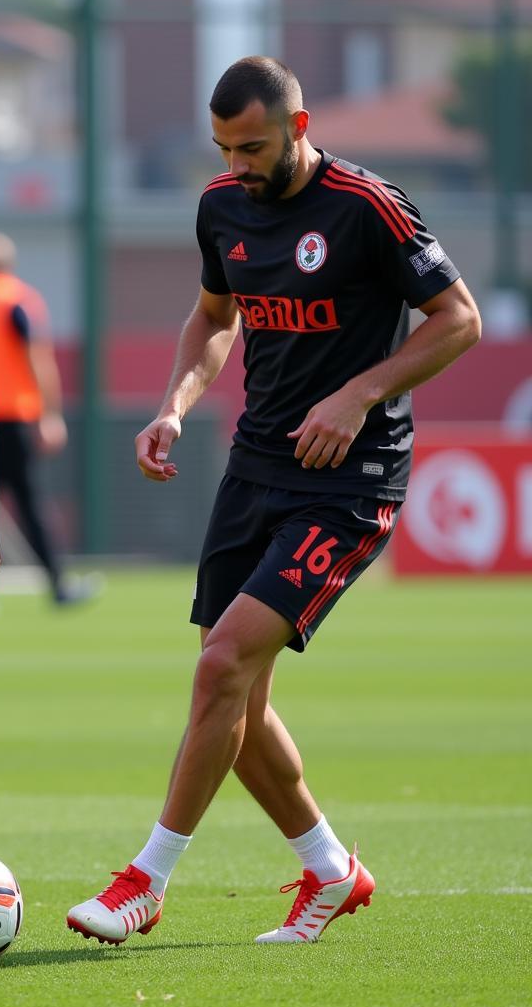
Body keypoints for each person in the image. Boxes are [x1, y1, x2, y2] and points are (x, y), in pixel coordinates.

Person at [66, 56, 480, 946]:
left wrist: (359, 393)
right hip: (256, 468)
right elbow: (215, 317)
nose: (236, 165)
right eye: (223, 149)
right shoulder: (222, 207)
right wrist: (173, 409)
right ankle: (334, 872)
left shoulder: (368, 206)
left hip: (352, 479)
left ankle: (147, 879)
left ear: (297, 128)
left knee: (220, 668)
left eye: (251, 146)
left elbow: (459, 319)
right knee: (238, 700)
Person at [0, 232, 94, 605]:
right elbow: (38, 358)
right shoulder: (18, 299)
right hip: (15, 417)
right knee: (30, 504)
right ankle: (58, 585)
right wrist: (50, 414)